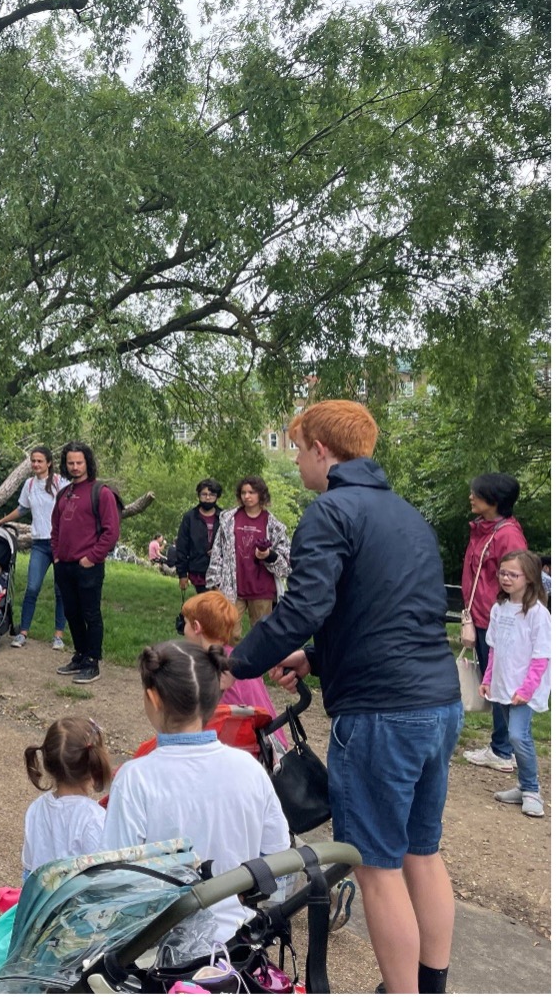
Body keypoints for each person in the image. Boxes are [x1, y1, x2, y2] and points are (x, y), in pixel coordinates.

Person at [225, 400, 462, 995]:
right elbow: (388, 610)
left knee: (376, 867)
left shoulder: (330, 511)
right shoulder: (407, 515)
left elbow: (303, 608)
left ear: (321, 451)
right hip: (438, 701)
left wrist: (233, 662)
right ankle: (431, 984)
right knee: (421, 853)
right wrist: (319, 657)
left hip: (383, 713)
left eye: (300, 448)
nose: (300, 459)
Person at [102, 641, 290, 945]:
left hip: (157, 955)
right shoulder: (250, 768)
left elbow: (116, 881)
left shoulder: (135, 778)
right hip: (239, 946)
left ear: (153, 697)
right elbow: (279, 861)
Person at [459, 473, 528, 773]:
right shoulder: (485, 530)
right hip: (483, 617)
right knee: (495, 684)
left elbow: (519, 580)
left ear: (494, 501)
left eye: (477, 493)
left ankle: (503, 750)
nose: (471, 496)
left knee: (501, 685)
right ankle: (500, 746)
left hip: (496, 621)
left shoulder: (507, 535)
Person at [481, 550, 550, 818]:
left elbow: (541, 657)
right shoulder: (499, 609)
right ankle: (523, 785)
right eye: (503, 573)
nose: (506, 578)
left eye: (513, 574)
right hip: (503, 685)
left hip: (523, 690)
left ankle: (532, 789)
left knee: (517, 736)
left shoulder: (537, 614)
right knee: (514, 734)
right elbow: (494, 649)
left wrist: (527, 689)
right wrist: (488, 679)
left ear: (530, 578)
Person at [180, 590, 286, 754]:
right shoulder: (241, 659)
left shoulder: (210, 670)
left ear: (196, 627)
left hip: (250, 752)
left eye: (185, 624)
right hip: (273, 744)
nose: (183, 631)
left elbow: (211, 730)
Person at [50, 442, 120, 684]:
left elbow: (111, 532)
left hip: (88, 566)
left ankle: (93, 661)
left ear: (87, 463)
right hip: (64, 565)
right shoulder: (64, 493)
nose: (75, 467)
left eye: (79, 462)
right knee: (71, 613)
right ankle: (80, 654)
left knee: (91, 613)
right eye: (71, 463)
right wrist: (56, 555)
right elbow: (55, 528)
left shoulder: (101, 493)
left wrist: (92, 558)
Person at [21, 717, 112, 881]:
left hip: (41, 902)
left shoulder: (36, 808)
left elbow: (29, 869)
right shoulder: (95, 818)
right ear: (95, 764)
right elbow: (104, 878)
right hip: (75, 904)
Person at [0, 446, 68, 650]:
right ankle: (23, 633)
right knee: (32, 588)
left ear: (49, 463)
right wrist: (1, 521)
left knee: (61, 590)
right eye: (33, 461)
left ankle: (58, 635)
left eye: (39, 461)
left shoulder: (60, 483)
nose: (36, 464)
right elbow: (22, 509)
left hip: (60, 544)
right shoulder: (29, 485)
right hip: (39, 543)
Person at [205, 475, 291, 627]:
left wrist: (268, 555)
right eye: (243, 492)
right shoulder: (228, 520)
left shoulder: (273, 525)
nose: (247, 496)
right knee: (228, 630)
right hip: (232, 588)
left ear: (261, 494)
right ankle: (230, 652)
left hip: (262, 590)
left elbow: (286, 563)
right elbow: (218, 553)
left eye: (251, 492)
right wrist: (215, 582)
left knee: (261, 635)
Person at [175, 479, 223, 595]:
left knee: (218, 607)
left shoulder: (224, 517)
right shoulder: (190, 517)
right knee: (205, 605)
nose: (207, 498)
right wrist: (182, 574)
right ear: (198, 495)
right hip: (198, 570)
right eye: (204, 494)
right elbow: (182, 546)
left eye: (212, 495)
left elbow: (231, 542)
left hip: (220, 571)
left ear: (217, 497)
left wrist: (219, 550)